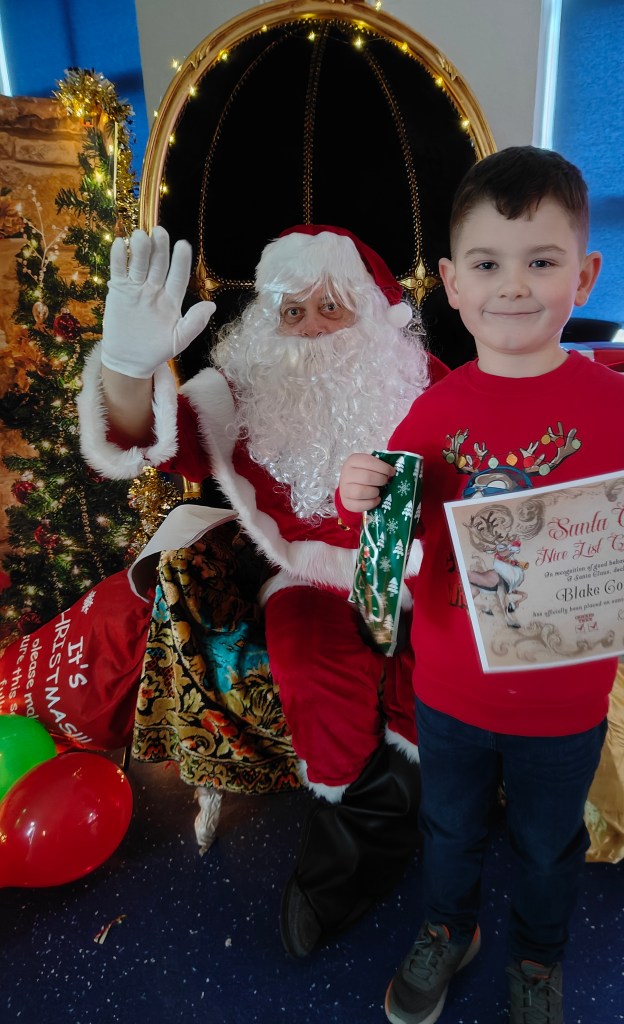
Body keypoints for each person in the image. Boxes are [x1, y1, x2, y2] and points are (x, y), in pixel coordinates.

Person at [337, 147, 624, 1024]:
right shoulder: (434, 410)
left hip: (566, 700)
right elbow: (389, 533)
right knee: (449, 831)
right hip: (449, 687)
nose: (513, 286)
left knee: (546, 845)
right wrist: (360, 496)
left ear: (584, 275)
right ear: (452, 283)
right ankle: (450, 928)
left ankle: (537, 956)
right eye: (488, 264)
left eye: (541, 261)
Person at [76, 222, 449, 957]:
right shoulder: (241, 392)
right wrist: (124, 367)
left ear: (373, 315)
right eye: (292, 311)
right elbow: (141, 440)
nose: (309, 328)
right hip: (307, 574)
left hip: (422, 571)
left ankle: (391, 825)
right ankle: (354, 835)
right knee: (310, 666)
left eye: (331, 308)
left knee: (437, 678)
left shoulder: (424, 379)